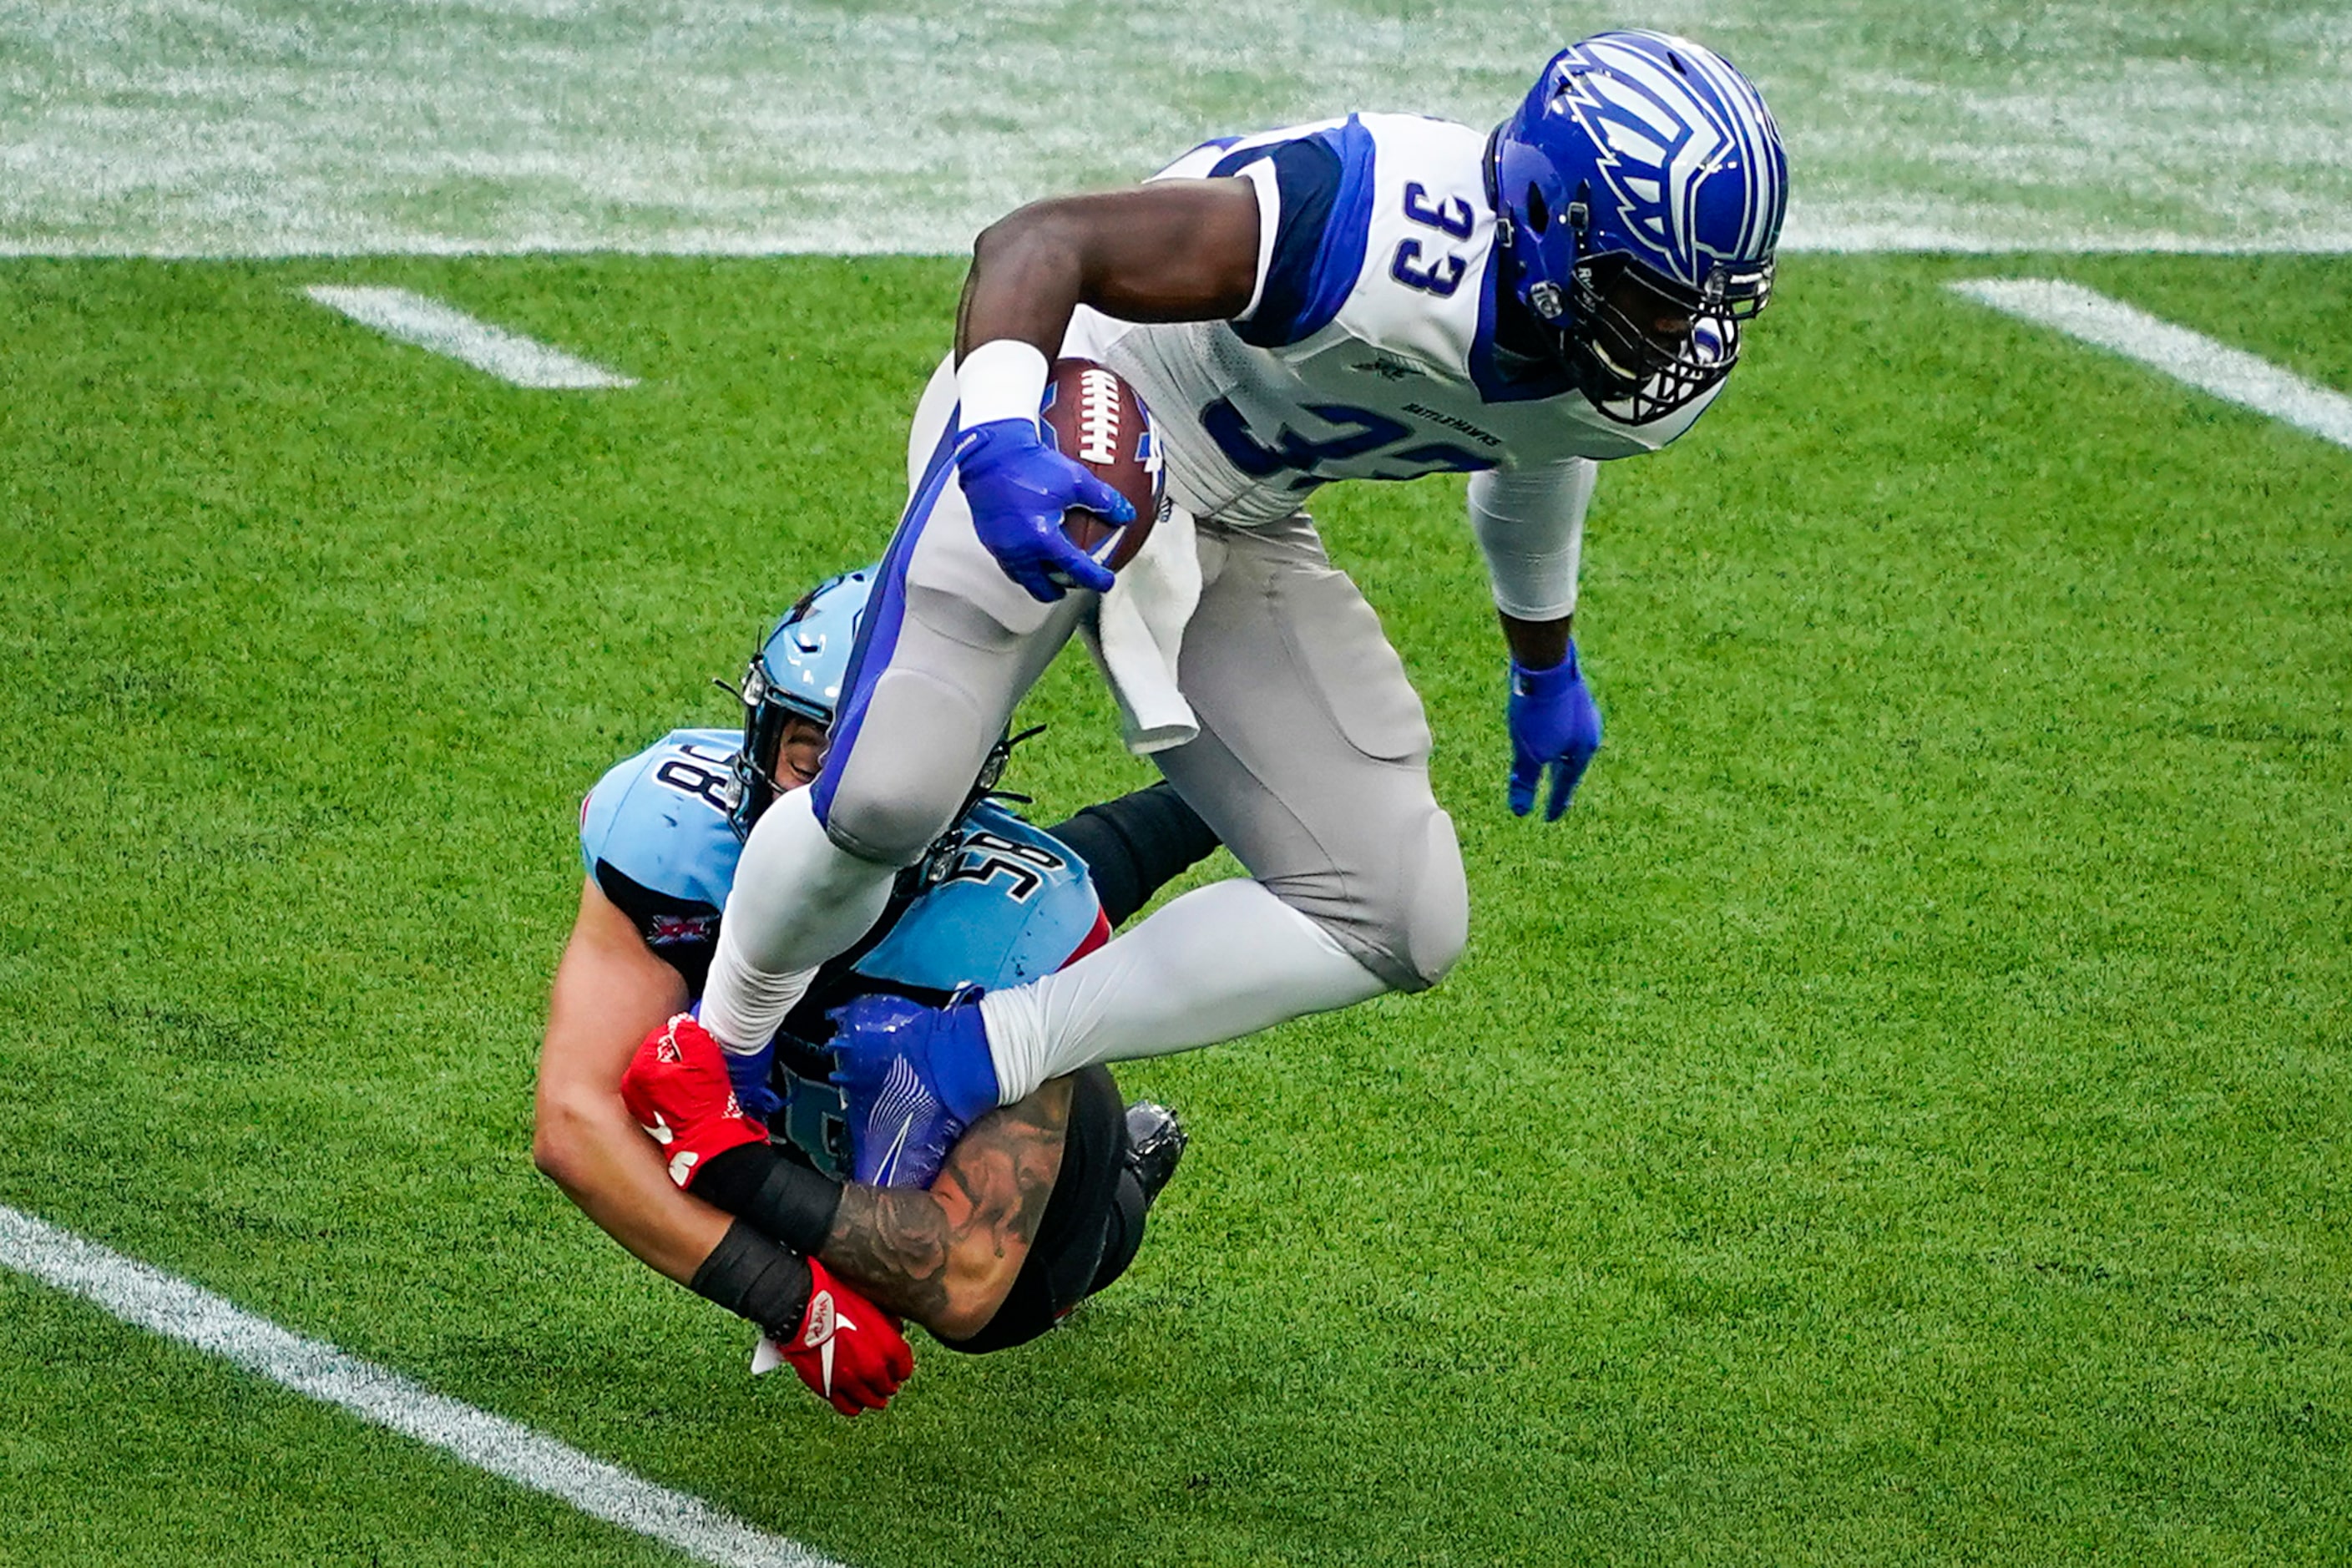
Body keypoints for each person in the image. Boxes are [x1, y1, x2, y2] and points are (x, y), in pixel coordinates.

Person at [696, 31, 1789, 1188]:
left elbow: (1540, 443)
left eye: (1704, 301)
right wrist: (1001, 433)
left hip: (1242, 506)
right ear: (1542, 214)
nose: (1679, 336)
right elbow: (1040, 243)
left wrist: (1543, 659)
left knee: (1397, 911)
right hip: (1082, 410)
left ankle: (956, 1057)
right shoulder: (1367, 221)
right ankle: (718, 1047)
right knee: (885, 794)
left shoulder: (1633, 368)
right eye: (1649, 293)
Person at [532, 567, 1219, 1414]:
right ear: (757, 737)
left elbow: (962, 1273)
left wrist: (731, 1160)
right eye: (810, 757)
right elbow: (575, 1121)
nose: (838, 810)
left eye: (888, 771)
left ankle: (1129, 1188)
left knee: (1000, 1316)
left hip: (972, 1105)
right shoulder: (670, 830)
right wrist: (784, 1295)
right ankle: (1223, 795)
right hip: (816, 1056)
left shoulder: (1018, 933)